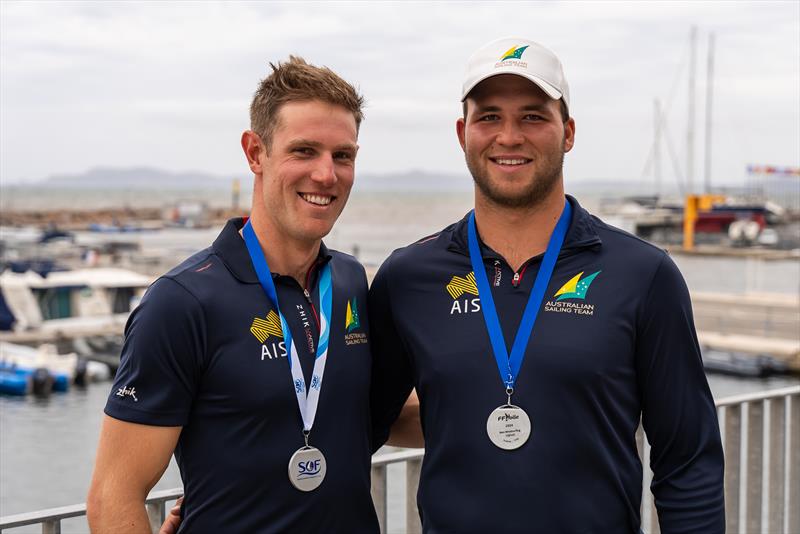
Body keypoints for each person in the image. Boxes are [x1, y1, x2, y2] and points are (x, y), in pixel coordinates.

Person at [369, 37, 725, 533]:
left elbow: (688, 461)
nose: (509, 136)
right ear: (462, 132)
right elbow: (356, 421)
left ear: (568, 132)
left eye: (533, 116)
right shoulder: (408, 278)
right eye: (488, 116)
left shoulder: (643, 274)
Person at [87, 56, 380, 533]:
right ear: (255, 152)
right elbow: (113, 495)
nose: (327, 175)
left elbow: (386, 410)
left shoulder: (349, 281)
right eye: (304, 151)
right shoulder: (182, 302)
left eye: (342, 156)